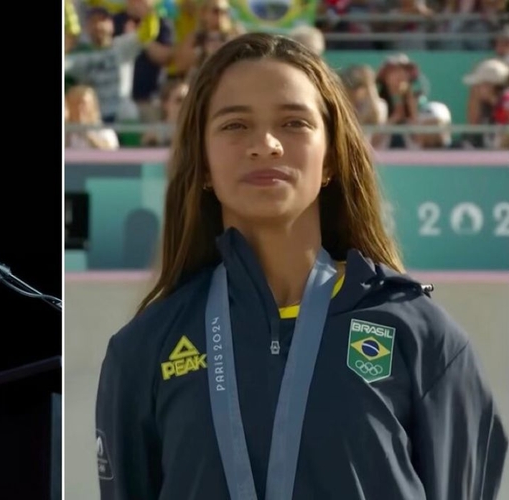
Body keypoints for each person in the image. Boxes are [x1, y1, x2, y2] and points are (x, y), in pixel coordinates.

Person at [95, 32, 507, 499]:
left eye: (293, 123)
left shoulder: (420, 335)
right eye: (234, 126)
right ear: (203, 163)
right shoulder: (146, 349)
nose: (266, 144)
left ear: (330, 156)